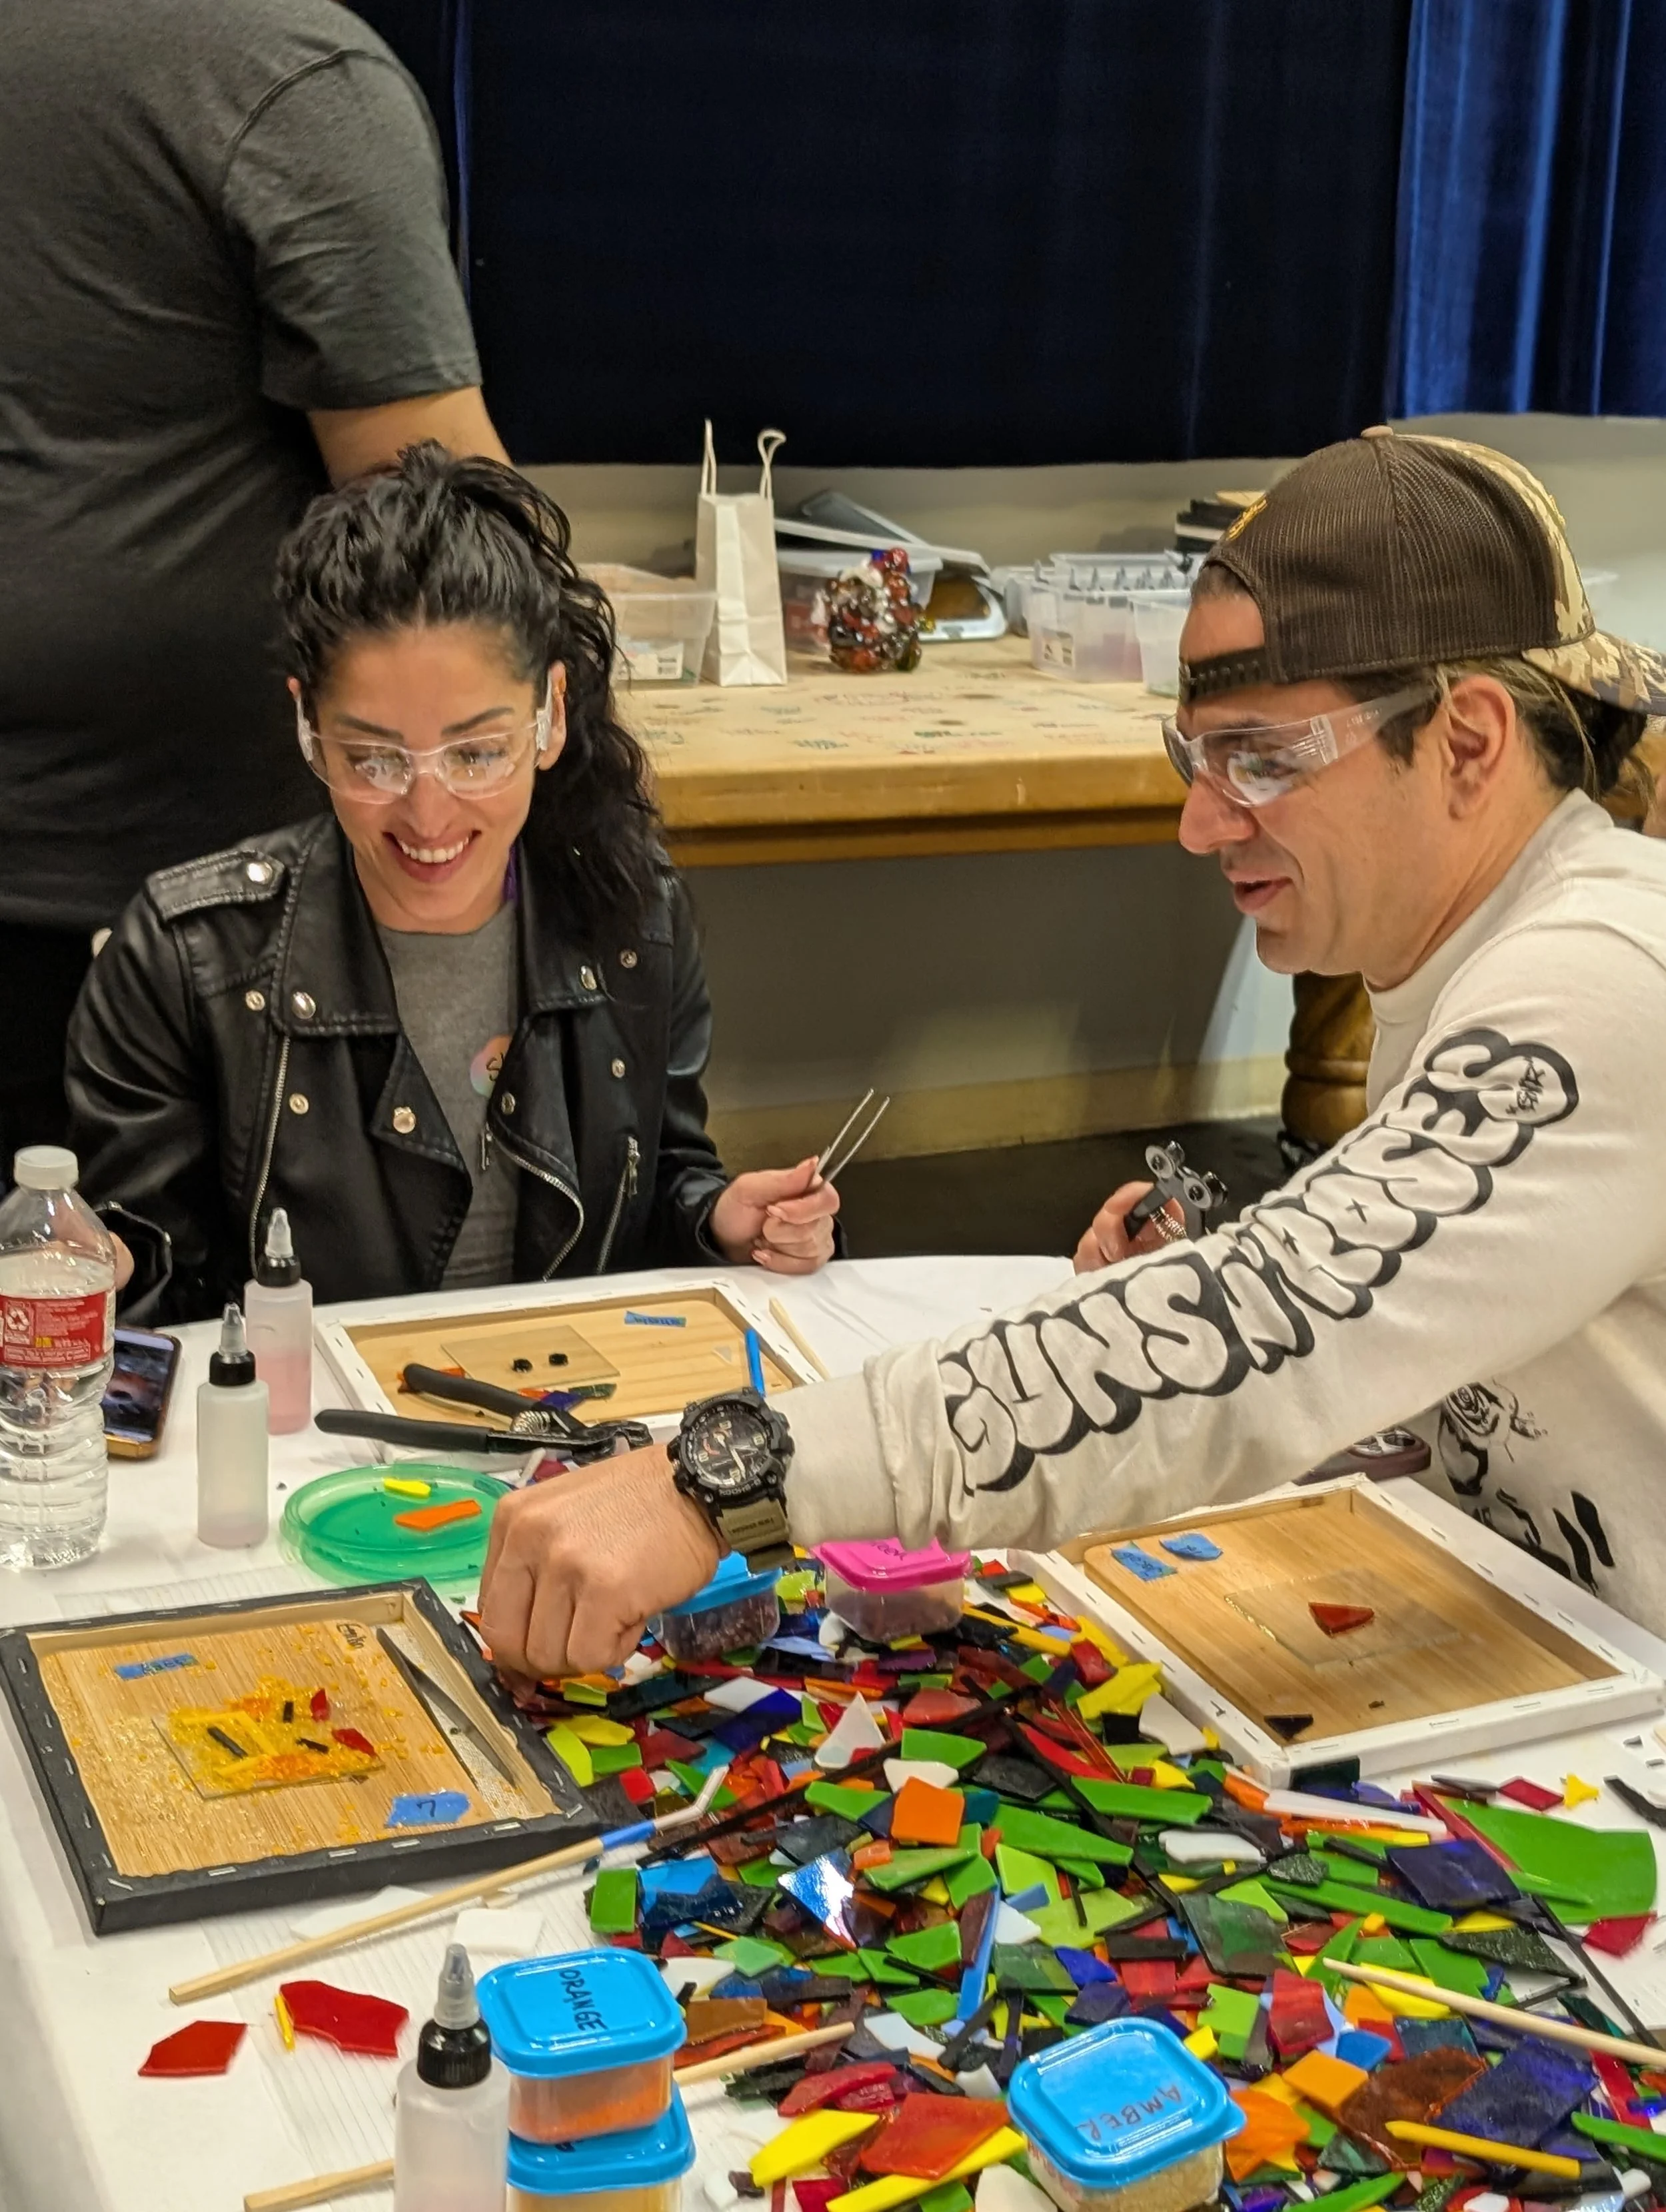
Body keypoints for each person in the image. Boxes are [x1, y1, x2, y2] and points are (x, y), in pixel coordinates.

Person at [478, 426, 1666, 1669]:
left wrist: (718, 1479)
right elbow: (1407, 1353)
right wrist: (1207, 1284)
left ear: (1469, 744)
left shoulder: (1599, 984)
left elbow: (1262, 1336)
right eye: (1197, 760)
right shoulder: (1480, 965)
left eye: (1260, 760)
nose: (1203, 824)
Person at [66, 447, 838, 1321]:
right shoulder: (186, 957)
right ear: (307, 726)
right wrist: (111, 1264)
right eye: (374, 758)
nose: (429, 815)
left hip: (568, 1419)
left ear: (549, 716)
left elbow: (659, 1182)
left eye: (477, 753)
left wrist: (720, 1222)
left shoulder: (629, 919)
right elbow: (162, 1284)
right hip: (318, 1440)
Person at [0, 0, 508, 1160]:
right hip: (187, 897)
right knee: (210, 1325)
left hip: (129, 876)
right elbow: (443, 544)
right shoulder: (289, 72)